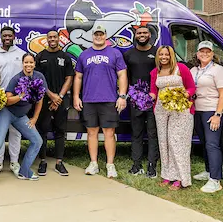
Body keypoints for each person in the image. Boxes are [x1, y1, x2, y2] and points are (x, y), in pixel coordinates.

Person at [0, 54, 47, 188]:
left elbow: (40, 99)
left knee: (37, 141)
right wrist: (21, 96)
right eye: (26, 62)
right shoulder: (16, 79)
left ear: (34, 64)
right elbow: (7, 101)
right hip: (6, 113)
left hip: (21, 116)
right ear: (22, 64)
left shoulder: (39, 77)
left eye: (31, 62)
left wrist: (35, 118)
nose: (28, 65)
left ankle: (24, 171)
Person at [73, 25, 128, 179]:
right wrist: (76, 96)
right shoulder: (84, 55)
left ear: (105, 35)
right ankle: (94, 163)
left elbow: (122, 75)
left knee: (109, 133)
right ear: (93, 36)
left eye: (101, 34)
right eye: (96, 34)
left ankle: (110, 165)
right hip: (89, 99)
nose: (98, 37)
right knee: (91, 132)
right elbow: (78, 77)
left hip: (109, 99)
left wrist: (122, 96)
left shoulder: (115, 53)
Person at [149, 46, 196, 190]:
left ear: (172, 56)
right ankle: (167, 175)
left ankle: (181, 178)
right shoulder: (154, 72)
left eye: (167, 54)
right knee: (164, 142)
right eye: (161, 55)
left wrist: (182, 96)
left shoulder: (181, 68)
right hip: (161, 109)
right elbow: (153, 91)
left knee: (178, 142)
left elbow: (192, 87)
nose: (164, 57)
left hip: (180, 109)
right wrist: (146, 98)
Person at [190, 41, 223, 193]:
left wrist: (217, 115)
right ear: (197, 54)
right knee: (205, 142)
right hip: (197, 111)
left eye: (208, 51)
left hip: (211, 110)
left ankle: (215, 179)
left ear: (213, 54)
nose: (205, 54)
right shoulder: (194, 70)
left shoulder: (218, 70)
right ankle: (208, 171)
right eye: (202, 51)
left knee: (212, 144)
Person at [35, 29, 74, 176]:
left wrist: (59, 97)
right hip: (43, 100)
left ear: (59, 39)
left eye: (55, 37)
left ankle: (59, 162)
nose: (52, 39)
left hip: (61, 100)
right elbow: (38, 79)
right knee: (42, 130)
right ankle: (43, 161)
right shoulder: (40, 57)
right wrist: (51, 96)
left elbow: (69, 78)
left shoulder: (65, 57)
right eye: (50, 37)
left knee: (60, 131)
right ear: (47, 39)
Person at [0, 26, 25, 176]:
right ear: (1, 37)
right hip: (0, 101)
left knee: (15, 133)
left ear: (14, 37)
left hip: (17, 100)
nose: (7, 37)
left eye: (10, 35)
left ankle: (14, 163)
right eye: (5, 35)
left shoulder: (21, 54)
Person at [123, 25, 159, 178]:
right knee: (136, 133)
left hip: (154, 98)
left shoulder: (157, 53)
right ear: (135, 35)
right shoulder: (128, 54)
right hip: (136, 99)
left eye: (145, 33)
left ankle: (152, 165)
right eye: (139, 33)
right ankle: (136, 164)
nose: (142, 35)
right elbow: (125, 77)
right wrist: (126, 95)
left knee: (152, 133)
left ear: (150, 35)